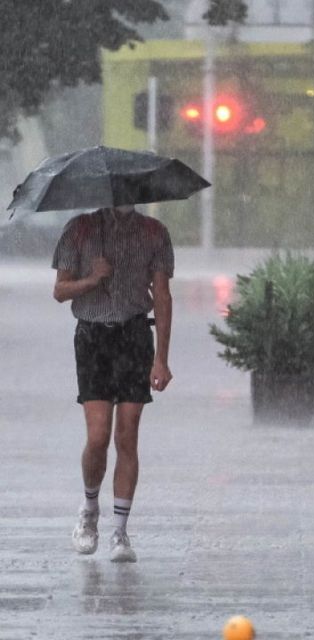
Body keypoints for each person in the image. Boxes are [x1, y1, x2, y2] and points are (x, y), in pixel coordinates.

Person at [51, 205, 175, 563]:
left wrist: (162, 358)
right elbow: (60, 290)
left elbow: (162, 295)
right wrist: (92, 279)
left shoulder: (154, 232)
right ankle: (90, 509)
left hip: (135, 335)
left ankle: (120, 530)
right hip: (92, 338)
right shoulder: (80, 229)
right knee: (98, 435)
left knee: (127, 434)